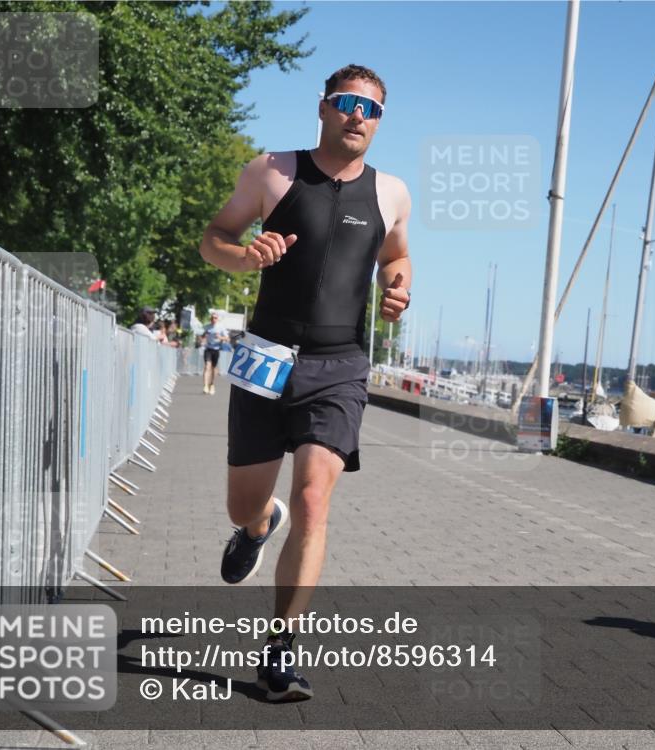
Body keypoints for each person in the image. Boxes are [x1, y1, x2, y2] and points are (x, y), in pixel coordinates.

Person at [200, 63, 411, 702]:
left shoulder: (392, 192)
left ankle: (280, 652)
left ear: (379, 121)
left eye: (370, 109)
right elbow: (213, 238)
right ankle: (257, 527)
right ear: (323, 108)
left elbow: (396, 253)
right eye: (347, 103)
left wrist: (396, 287)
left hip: (339, 366)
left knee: (317, 500)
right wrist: (244, 255)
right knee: (244, 502)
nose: (358, 116)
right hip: (264, 355)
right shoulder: (271, 171)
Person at [202, 312, 230, 394]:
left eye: (215, 318)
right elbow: (202, 336)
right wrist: (203, 338)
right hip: (208, 349)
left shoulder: (221, 327)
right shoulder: (207, 327)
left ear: (217, 319)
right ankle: (205, 386)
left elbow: (227, 339)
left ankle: (212, 384)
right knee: (207, 366)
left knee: (213, 368)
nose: (213, 320)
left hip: (216, 349)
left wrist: (220, 337)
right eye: (212, 318)